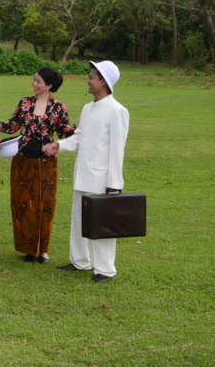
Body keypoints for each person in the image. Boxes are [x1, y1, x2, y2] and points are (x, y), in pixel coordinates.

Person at [43, 60, 129, 283]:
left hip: (102, 178)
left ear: (103, 81)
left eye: (91, 77)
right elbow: (79, 137)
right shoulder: (88, 108)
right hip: (83, 174)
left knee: (102, 222)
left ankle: (105, 269)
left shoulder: (117, 111)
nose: (88, 80)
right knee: (79, 218)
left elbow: (117, 149)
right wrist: (58, 145)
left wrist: (114, 184)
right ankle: (80, 261)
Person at [0, 68, 74, 264]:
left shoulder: (59, 108)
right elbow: (12, 126)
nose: (34, 84)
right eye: (33, 80)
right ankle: (27, 248)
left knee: (45, 206)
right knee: (23, 205)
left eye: (38, 81)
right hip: (22, 163)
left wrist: (81, 128)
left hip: (45, 164)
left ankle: (43, 250)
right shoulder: (24, 103)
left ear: (49, 86)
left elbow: (65, 133)